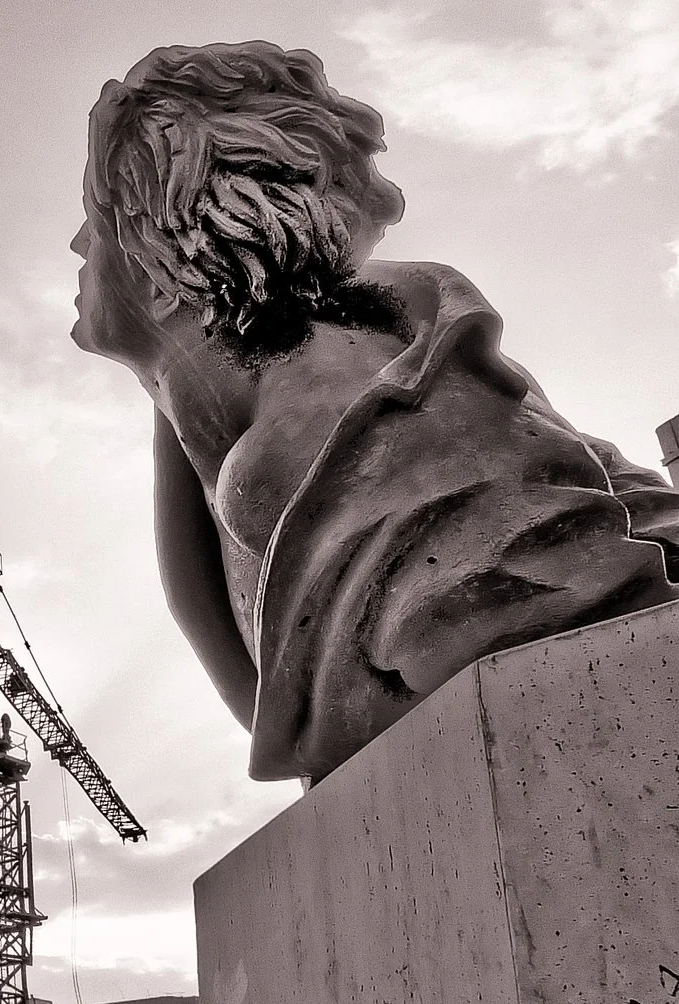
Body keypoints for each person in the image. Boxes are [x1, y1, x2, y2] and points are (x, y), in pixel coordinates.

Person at [73, 42, 679, 783]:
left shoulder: (337, 408)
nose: (78, 243)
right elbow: (260, 698)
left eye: (96, 227)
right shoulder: (265, 405)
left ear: (163, 256)